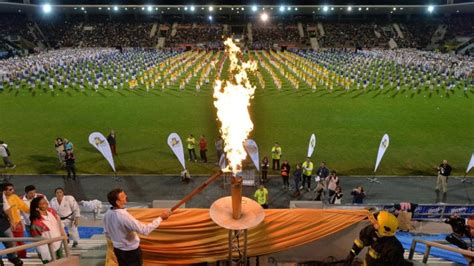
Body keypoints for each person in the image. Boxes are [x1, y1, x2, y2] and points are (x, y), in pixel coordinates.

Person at [104, 188, 171, 266]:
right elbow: (145, 230)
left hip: (118, 250)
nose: (126, 196)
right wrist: (161, 218)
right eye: (123, 196)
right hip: (131, 252)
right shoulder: (124, 216)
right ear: (118, 202)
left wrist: (118, 241)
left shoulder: (107, 214)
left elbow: (107, 233)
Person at [344, 211, 413, 265]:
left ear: (384, 228)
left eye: (376, 222)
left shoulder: (394, 248)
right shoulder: (371, 231)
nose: (373, 223)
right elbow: (360, 242)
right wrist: (351, 255)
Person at [29, 197, 67, 264]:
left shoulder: (51, 211)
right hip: (47, 248)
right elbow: (37, 240)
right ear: (37, 206)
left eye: (46, 202)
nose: (46, 204)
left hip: (58, 242)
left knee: (61, 262)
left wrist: (64, 235)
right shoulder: (36, 222)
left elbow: (59, 224)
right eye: (43, 203)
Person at [4, 183, 29, 258]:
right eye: (10, 189)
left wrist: (35, 209)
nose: (13, 191)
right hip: (6, 225)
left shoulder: (14, 197)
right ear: (4, 191)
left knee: (20, 241)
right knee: (9, 243)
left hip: (17, 223)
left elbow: (24, 207)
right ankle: (13, 257)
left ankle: (22, 257)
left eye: (13, 189)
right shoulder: (2, 199)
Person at [0, 184, 24, 266]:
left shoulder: (1, 194)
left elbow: (6, 208)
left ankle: (13, 257)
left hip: (3, 223)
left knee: (11, 241)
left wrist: (12, 220)